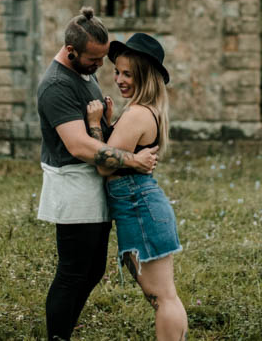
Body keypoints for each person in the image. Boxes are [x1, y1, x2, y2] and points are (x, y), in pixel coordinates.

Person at [37, 8, 159, 341]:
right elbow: (78, 146)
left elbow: (92, 135)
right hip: (74, 184)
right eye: (94, 60)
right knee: (73, 272)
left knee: (92, 270)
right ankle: (57, 337)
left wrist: (104, 120)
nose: (100, 67)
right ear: (71, 51)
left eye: (103, 58)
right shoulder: (56, 86)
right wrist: (133, 160)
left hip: (93, 182)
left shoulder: (84, 71)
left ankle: (65, 330)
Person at [86, 32, 188, 341]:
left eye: (127, 73)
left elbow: (104, 164)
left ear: (144, 76)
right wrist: (109, 123)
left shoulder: (137, 114)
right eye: (117, 71)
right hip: (139, 208)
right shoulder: (143, 111)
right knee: (160, 296)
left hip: (140, 209)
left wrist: (93, 124)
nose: (118, 79)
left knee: (163, 298)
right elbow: (119, 154)